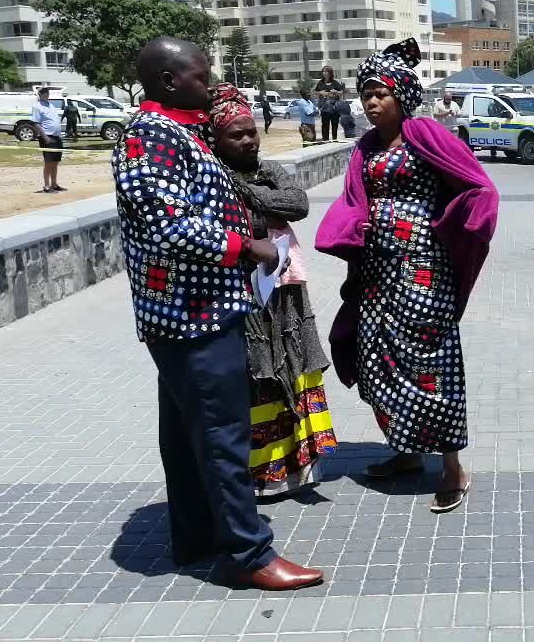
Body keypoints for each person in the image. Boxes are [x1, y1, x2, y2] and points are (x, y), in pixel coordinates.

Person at [110, 36, 322, 590]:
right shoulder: (148, 135)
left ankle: (198, 534)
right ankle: (248, 555)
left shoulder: (178, 131)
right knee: (224, 435)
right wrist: (246, 247)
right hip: (190, 316)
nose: (211, 84)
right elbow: (167, 221)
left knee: (187, 434)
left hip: (201, 310)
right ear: (167, 81)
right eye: (201, 77)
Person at [316, 39, 499, 514]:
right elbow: (355, 198)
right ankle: (405, 450)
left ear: (402, 94)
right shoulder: (366, 146)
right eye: (365, 94)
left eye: (379, 93)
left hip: (423, 269)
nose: (370, 102)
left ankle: (453, 465)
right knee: (379, 360)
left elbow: (478, 185)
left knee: (430, 363)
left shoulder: (427, 135)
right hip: (378, 272)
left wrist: (458, 222)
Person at [209, 83, 338, 496]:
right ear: (216, 139)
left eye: (251, 132)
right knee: (259, 368)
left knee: (294, 360)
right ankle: (264, 474)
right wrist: (263, 200)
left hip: (284, 288)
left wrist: (246, 192)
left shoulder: (264, 170)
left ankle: (301, 465)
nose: (248, 140)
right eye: (236, 134)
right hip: (242, 288)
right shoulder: (209, 176)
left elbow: (297, 203)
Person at [30, 88, 65, 194]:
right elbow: (36, 123)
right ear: (39, 95)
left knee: (55, 162)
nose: (46, 95)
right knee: (48, 162)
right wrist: (45, 137)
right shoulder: (37, 106)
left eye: (47, 93)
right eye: (43, 93)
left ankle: (54, 184)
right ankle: (46, 185)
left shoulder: (51, 105)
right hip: (47, 137)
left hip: (57, 137)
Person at [315, 66, 345, 141]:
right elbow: (315, 92)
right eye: (323, 71)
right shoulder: (320, 83)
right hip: (324, 109)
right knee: (325, 126)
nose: (324, 73)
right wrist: (320, 92)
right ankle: (325, 141)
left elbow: (342, 93)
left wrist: (336, 92)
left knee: (335, 125)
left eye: (326, 71)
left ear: (330, 73)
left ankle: (334, 139)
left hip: (334, 109)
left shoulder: (335, 83)